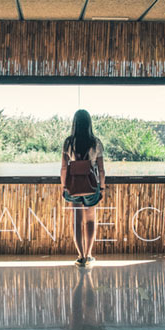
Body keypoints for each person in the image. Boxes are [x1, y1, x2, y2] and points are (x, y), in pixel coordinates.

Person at [60, 109, 106, 267]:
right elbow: (101, 169)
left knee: (77, 221)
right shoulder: (96, 142)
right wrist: (103, 188)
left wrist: (64, 186)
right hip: (91, 186)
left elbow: (64, 168)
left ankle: (80, 257)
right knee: (90, 220)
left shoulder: (68, 142)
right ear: (89, 124)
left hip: (73, 185)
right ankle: (89, 254)